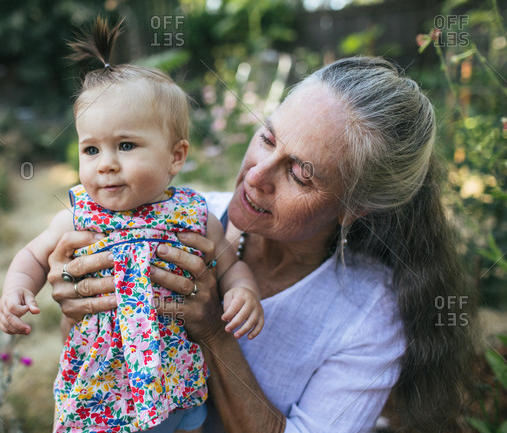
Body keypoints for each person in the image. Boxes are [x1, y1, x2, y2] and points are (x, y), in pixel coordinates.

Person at [47, 56, 478, 433]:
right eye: (267, 139)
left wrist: (214, 330)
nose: (255, 176)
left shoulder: (369, 315)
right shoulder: (180, 219)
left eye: (300, 174)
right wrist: (79, 296)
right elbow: (95, 356)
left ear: (354, 207)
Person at [0, 17, 264, 433]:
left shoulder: (193, 216)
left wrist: (243, 291)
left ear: (176, 156)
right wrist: (16, 289)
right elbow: (32, 255)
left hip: (171, 378)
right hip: (99, 386)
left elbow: (230, 264)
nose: (106, 163)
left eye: (125, 145)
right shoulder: (78, 214)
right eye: (91, 149)